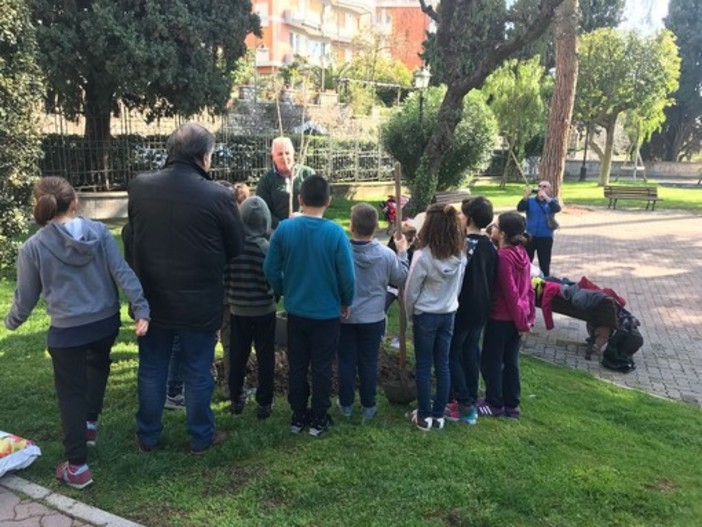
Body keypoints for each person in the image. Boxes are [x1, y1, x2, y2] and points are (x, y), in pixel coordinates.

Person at [4, 177, 150, 489]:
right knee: (98, 366)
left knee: (70, 393)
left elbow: (25, 297)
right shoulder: (99, 233)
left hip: (67, 332)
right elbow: (122, 271)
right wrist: (141, 308)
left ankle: (77, 467)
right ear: (75, 203)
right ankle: (89, 426)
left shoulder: (33, 247)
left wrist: (11, 322)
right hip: (104, 324)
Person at [128, 122, 244, 455]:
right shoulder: (218, 195)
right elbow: (237, 246)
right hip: (200, 302)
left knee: (152, 368)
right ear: (204, 156)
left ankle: (147, 437)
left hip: (152, 300)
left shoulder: (140, 187)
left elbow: (131, 236)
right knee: (197, 369)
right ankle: (201, 437)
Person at [264, 175, 355, 437]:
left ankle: (298, 415)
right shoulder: (336, 233)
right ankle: (319, 417)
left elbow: (270, 268)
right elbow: (347, 276)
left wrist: (283, 289)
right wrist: (346, 300)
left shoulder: (284, 229)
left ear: (300, 199)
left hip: (297, 311)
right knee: (323, 366)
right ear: (328, 201)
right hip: (327, 314)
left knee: (298, 363)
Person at [337, 203, 409, 420]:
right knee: (368, 361)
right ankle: (369, 406)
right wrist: (403, 253)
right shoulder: (387, 255)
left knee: (346, 361)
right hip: (373, 318)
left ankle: (346, 405)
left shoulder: (341, 252)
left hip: (345, 317)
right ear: (376, 226)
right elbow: (400, 277)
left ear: (351, 226)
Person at [404, 204, 466, 432]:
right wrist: (449, 303)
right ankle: (438, 415)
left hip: (426, 316)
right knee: (443, 365)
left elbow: (411, 291)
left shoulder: (422, 257)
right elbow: (458, 287)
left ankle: (424, 415)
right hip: (448, 314)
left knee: (423, 365)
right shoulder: (460, 255)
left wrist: (410, 315)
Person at [478, 211, 535, 419]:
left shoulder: (503, 257)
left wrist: (521, 320)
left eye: (495, 225)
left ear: (501, 233)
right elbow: (528, 288)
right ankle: (512, 405)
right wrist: (527, 317)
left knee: (491, 360)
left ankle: (494, 402)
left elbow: (510, 293)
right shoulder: (522, 252)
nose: (491, 227)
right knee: (510, 361)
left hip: (501, 317)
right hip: (518, 319)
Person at [445, 197, 497, 426]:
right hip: (481, 309)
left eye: (462, 213)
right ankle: (469, 397)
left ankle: (464, 404)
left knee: (452, 354)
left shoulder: (465, 245)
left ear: (470, 218)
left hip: (463, 308)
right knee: (470, 352)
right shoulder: (490, 246)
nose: (459, 217)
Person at [225, 196, 277, 420]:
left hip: (237, 310)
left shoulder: (231, 249)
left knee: (237, 355)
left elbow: (224, 277)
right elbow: (275, 278)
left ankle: (236, 398)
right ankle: (264, 402)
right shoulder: (267, 249)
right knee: (266, 356)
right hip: (265, 310)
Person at [256, 137, 315, 229]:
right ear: (273, 157)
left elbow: (317, 202)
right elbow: (263, 210)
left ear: (293, 154)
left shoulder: (308, 174)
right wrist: (282, 225)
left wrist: (304, 217)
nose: (284, 157)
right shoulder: (266, 180)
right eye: (280, 154)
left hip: (306, 227)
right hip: (277, 231)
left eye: (287, 153)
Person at [517, 180, 561, 277]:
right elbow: (520, 208)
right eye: (539, 186)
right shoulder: (531, 201)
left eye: (545, 186)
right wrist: (526, 196)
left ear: (550, 190)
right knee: (527, 262)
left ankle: (546, 282)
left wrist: (545, 197)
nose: (541, 188)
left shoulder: (552, 201)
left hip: (545, 237)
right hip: (530, 236)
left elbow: (557, 208)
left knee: (544, 263)